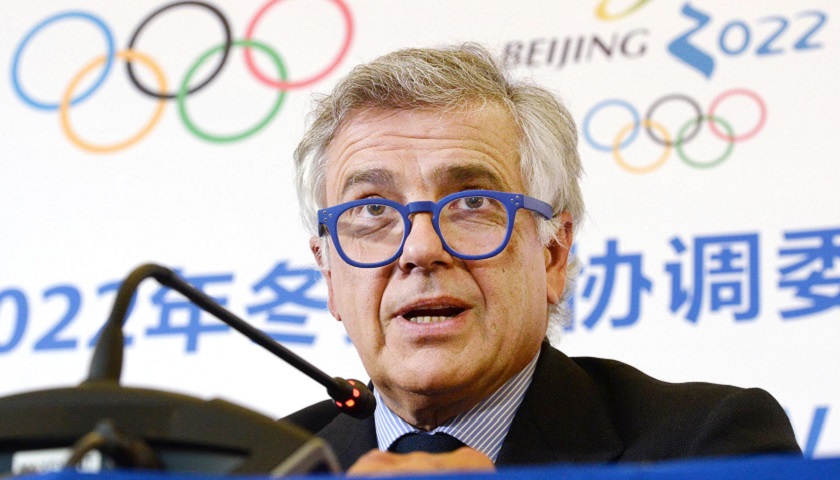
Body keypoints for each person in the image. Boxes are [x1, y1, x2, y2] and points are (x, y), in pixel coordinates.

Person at [285, 44, 801, 474]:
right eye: (373, 210)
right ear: (329, 275)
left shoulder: (709, 445)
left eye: (472, 203)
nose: (420, 250)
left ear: (553, 254)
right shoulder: (273, 463)